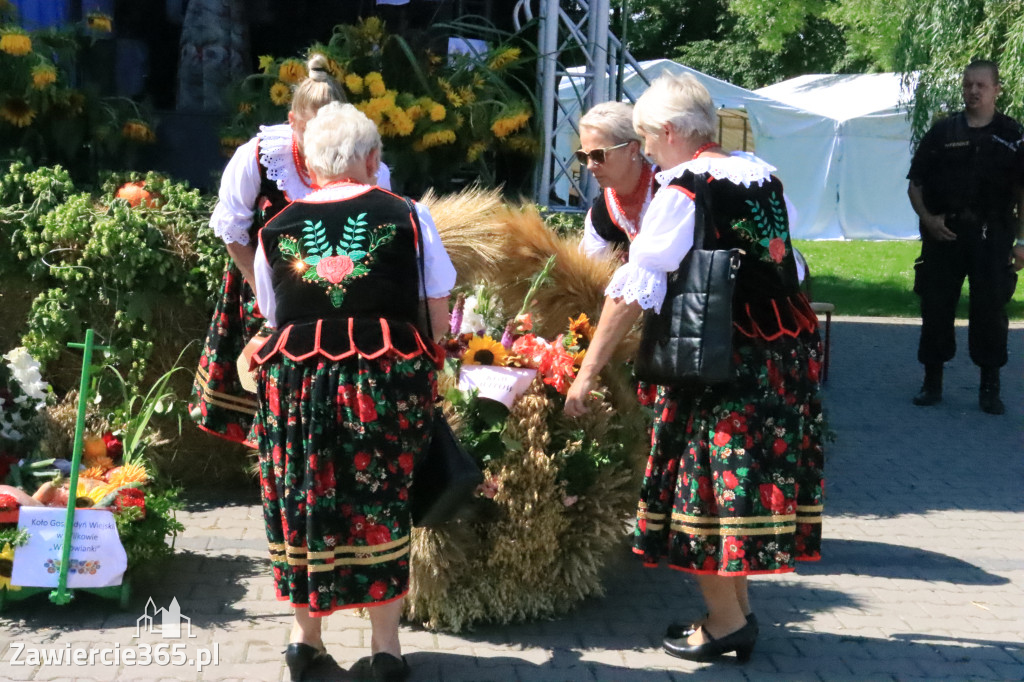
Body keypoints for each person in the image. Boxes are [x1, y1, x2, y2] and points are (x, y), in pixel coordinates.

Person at [565, 73, 825, 664]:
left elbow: (633, 287)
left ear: (675, 132)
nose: (648, 152)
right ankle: (736, 614)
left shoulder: (684, 188)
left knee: (704, 490)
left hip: (719, 364)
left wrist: (587, 371)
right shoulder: (762, 177)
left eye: (649, 139)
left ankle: (726, 623)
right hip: (780, 356)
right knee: (732, 493)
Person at [249, 101, 454, 682]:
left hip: (296, 385)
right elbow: (436, 303)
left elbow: (274, 316)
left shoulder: (276, 227)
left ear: (310, 167)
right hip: (379, 381)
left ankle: (303, 640)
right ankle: (385, 650)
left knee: (305, 498)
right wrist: (430, 365)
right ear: (371, 159)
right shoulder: (407, 214)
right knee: (379, 500)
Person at [189, 54, 393, 446]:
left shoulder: (371, 168)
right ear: (292, 121)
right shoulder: (259, 157)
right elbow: (233, 230)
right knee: (266, 391)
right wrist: (267, 298)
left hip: (338, 298)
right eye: (310, 130)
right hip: (266, 287)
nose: (320, 142)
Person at [907, 59, 1024, 415]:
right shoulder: (943, 132)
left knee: (990, 310)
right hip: (945, 235)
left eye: (981, 86)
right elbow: (915, 185)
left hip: (993, 235)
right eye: (968, 84)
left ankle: (989, 387)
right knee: (936, 307)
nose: (973, 91)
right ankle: (932, 381)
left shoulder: (1013, 134)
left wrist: (1021, 243)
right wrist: (929, 219)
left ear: (996, 90)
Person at [577, 101, 658, 261]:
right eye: (583, 156)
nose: (590, 166)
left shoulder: (670, 188)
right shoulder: (600, 214)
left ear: (633, 149)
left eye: (598, 155)